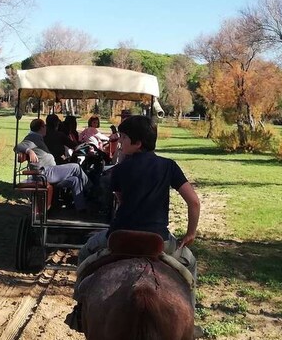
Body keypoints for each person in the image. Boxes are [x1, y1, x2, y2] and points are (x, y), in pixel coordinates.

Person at [77, 114, 200, 288]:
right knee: (191, 263)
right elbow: (194, 202)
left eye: (125, 138)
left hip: (119, 236)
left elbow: (121, 200)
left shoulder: (118, 170)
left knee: (84, 253)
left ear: (138, 143)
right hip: (158, 239)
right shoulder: (169, 166)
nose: (121, 141)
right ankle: (191, 314)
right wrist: (190, 233)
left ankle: (78, 308)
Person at [15, 118, 91, 211]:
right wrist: (29, 151)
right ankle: (91, 188)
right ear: (41, 127)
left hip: (49, 172)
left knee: (75, 180)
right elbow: (17, 147)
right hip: (44, 173)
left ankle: (81, 209)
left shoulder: (38, 137)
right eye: (45, 126)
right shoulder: (32, 137)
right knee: (75, 167)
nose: (46, 128)